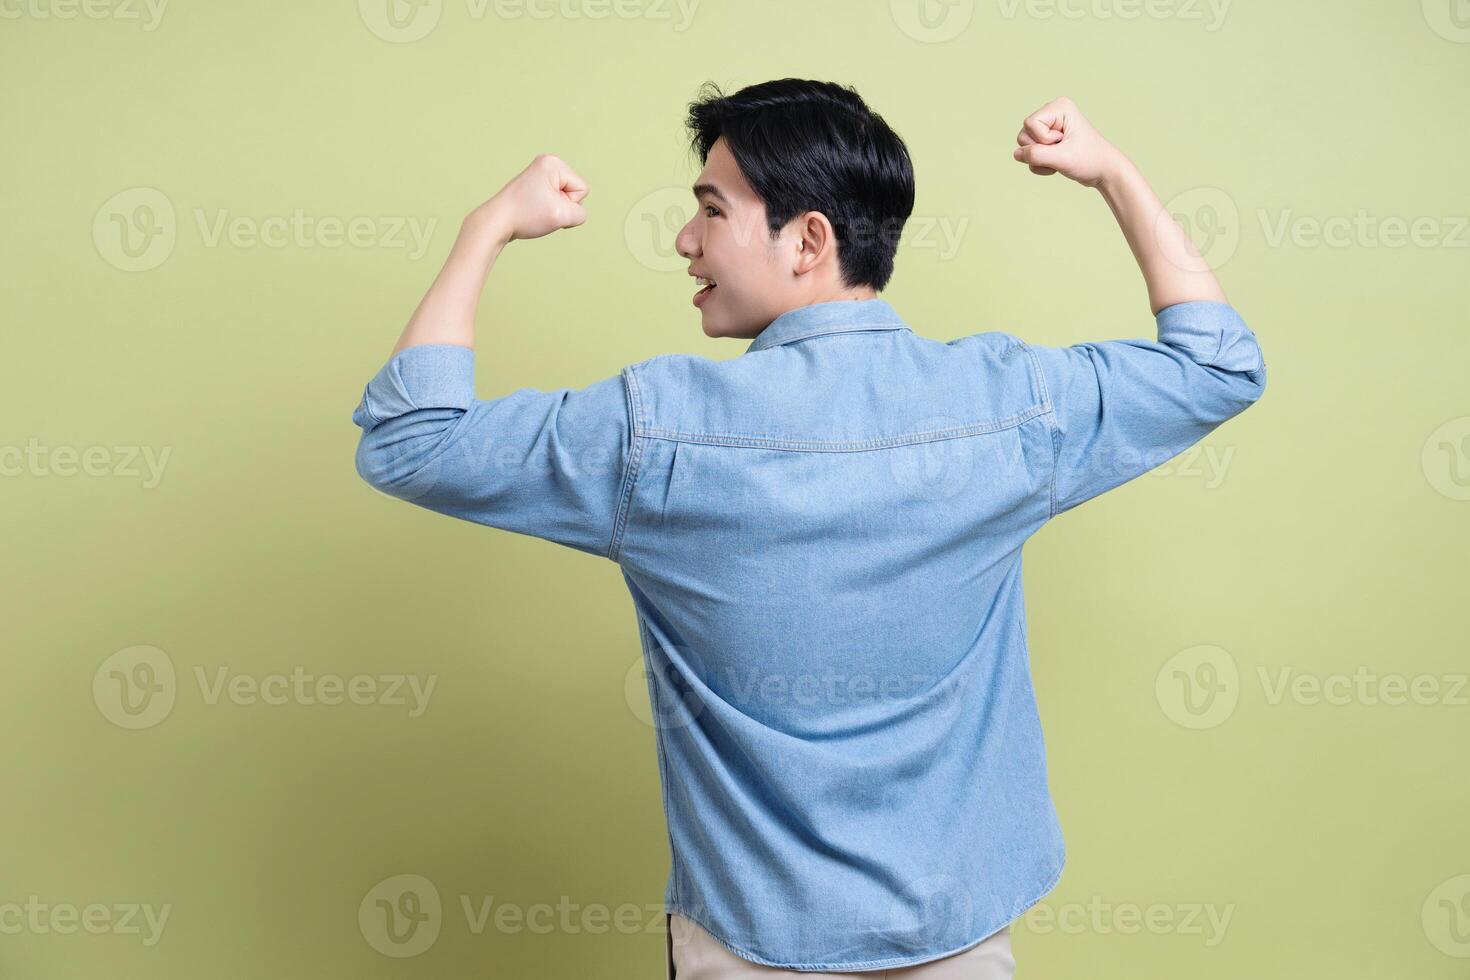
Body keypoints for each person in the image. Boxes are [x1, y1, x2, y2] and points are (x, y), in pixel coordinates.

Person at [350, 80, 1266, 978]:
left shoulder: (654, 430)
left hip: (745, 944)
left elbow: (409, 440)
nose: (684, 239)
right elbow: (1219, 364)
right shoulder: (1010, 408)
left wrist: (489, 227)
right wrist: (1109, 172)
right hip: (959, 937)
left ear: (809, 240)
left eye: (710, 211)